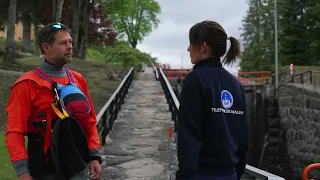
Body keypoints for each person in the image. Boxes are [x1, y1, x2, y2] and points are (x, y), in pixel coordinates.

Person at [5, 23, 102, 180]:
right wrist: (22, 171)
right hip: (42, 168)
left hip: (77, 165)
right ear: (46, 48)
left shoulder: (77, 80)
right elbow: (14, 132)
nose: (70, 47)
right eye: (63, 43)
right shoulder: (26, 84)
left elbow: (89, 122)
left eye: (70, 42)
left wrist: (94, 156)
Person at [175, 20, 249, 180]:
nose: (188, 49)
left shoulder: (195, 80)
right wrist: (237, 172)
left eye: (191, 43)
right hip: (230, 174)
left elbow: (189, 135)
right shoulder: (236, 84)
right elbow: (243, 136)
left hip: (202, 174)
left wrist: (184, 175)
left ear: (203, 46)